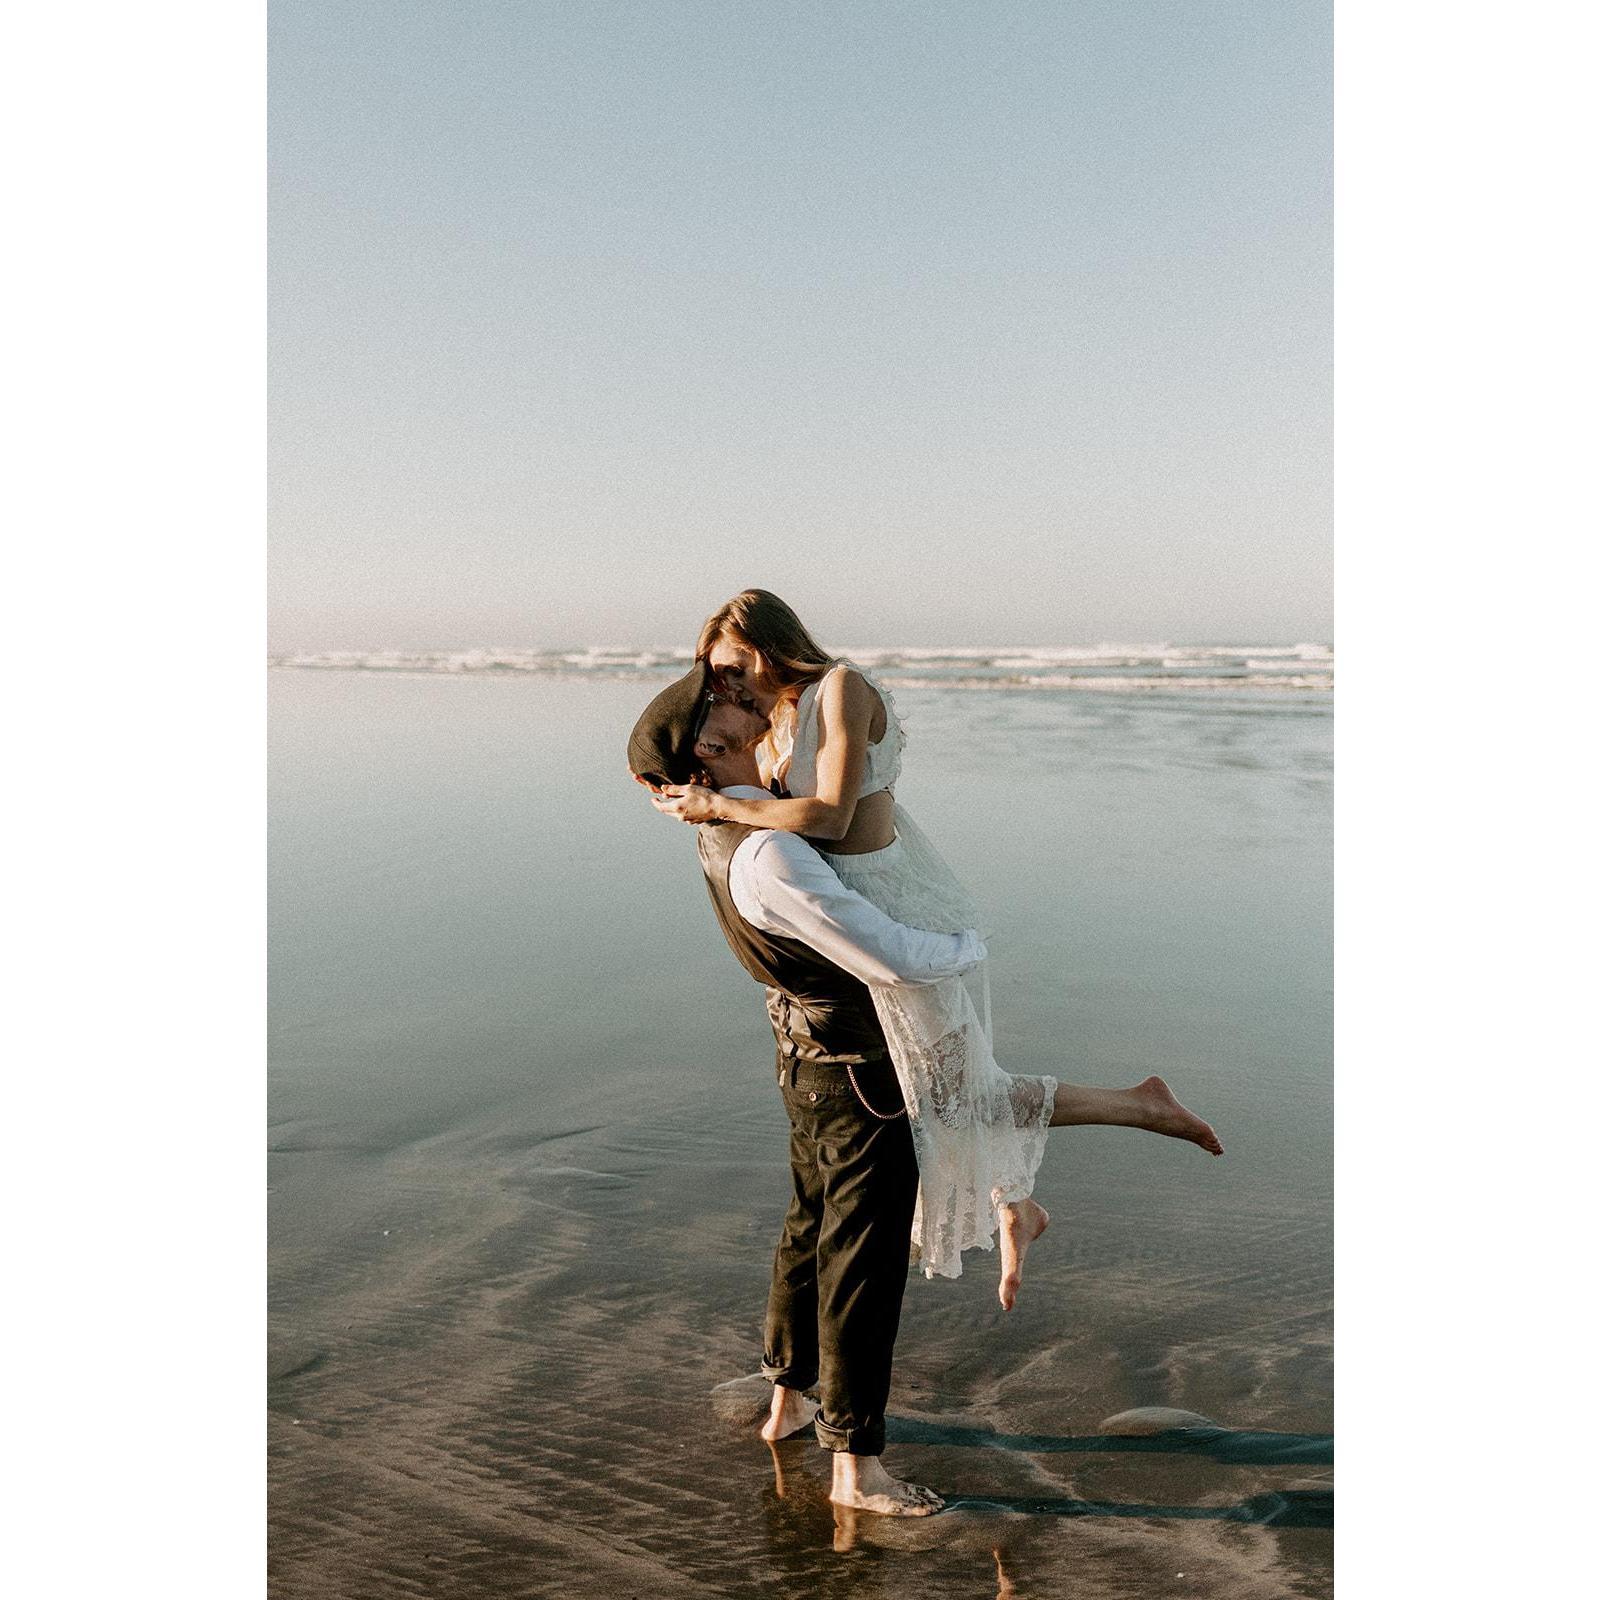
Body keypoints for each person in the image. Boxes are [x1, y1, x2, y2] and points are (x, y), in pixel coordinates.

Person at [650, 590, 1223, 1311]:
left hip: (896, 907)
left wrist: (719, 805)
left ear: (766, 644)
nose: (726, 687)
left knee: (953, 1089)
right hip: (857, 914)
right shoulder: (780, 717)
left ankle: (1136, 1111)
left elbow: (830, 817)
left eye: (731, 669)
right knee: (942, 1085)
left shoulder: (842, 688)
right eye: (716, 678)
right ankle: (1017, 1201)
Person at [627, 659, 959, 1516]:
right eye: (716, 707)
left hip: (805, 1060)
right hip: (855, 1073)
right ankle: (856, 1469)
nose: (736, 699)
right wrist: (967, 943)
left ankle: (789, 1399)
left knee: (809, 1231)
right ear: (707, 754)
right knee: (862, 1263)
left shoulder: (726, 832)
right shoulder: (769, 849)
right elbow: (891, 956)